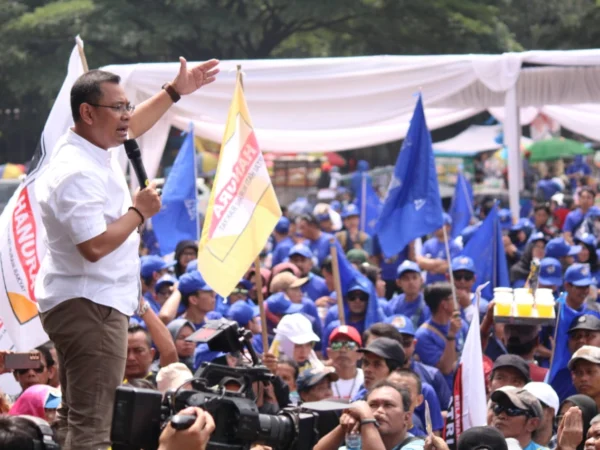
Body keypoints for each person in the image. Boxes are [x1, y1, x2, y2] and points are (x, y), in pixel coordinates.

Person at [33, 59, 219, 449]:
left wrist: (174, 91)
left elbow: (133, 126)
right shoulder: (76, 170)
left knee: (74, 417)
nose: (126, 116)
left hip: (84, 301)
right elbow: (94, 246)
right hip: (90, 306)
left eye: (126, 106)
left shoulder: (92, 145)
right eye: (117, 107)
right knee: (93, 428)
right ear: (87, 112)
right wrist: (139, 212)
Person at [315, 381, 425, 450]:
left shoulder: (418, 446)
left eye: (388, 405)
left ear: (406, 418)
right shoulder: (357, 446)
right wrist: (344, 427)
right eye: (372, 405)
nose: (379, 411)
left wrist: (367, 419)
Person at [415, 283, 468, 388]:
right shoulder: (423, 336)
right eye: (455, 298)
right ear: (444, 304)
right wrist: (451, 335)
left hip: (464, 386)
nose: (459, 301)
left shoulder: (462, 324)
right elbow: (446, 369)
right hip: (444, 392)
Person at [388, 261, 430, 328]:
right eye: (406, 279)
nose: (411, 282)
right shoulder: (392, 304)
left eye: (414, 277)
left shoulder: (429, 304)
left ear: (421, 280)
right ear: (398, 283)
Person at [327, 325, 364, 401]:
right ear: (329, 353)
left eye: (349, 345)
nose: (342, 350)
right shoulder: (322, 382)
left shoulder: (367, 379)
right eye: (336, 345)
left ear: (360, 353)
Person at [523, 382, 560, 448]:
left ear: (550, 412)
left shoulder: (562, 445)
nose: (525, 410)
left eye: (532, 406)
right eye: (521, 404)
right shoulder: (509, 443)